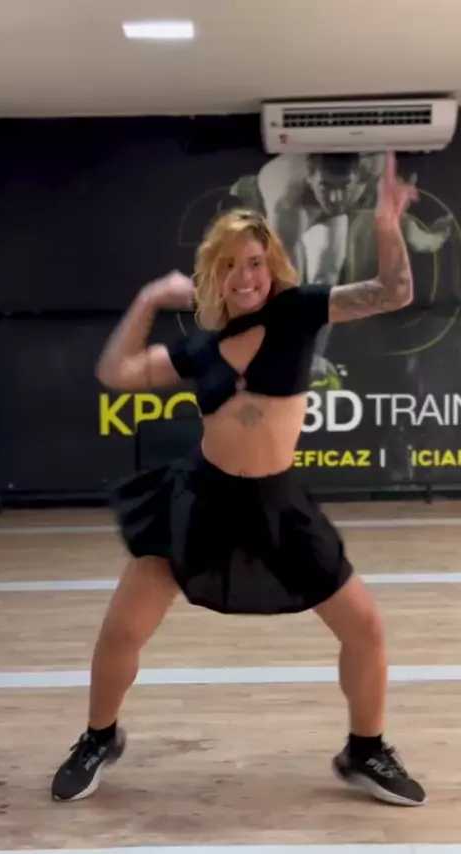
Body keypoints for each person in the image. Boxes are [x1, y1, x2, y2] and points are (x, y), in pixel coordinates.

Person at [51, 153, 425, 807]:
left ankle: (364, 750)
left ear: (270, 264)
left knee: (364, 628)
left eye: (254, 261)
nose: (245, 275)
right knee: (122, 629)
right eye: (230, 265)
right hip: (201, 499)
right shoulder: (199, 348)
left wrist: (388, 225)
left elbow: (392, 292)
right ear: (214, 276)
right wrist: (148, 299)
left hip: (278, 502)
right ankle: (99, 738)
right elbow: (115, 372)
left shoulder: (301, 310)